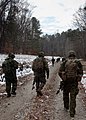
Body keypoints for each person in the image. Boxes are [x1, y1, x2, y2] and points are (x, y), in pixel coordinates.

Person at [58, 50, 83, 119]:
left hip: (66, 82)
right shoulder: (78, 62)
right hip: (74, 82)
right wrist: (78, 79)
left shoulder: (65, 62)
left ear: (68, 55)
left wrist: (63, 78)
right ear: (74, 55)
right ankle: (72, 113)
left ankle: (66, 107)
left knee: (65, 95)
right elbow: (81, 72)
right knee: (73, 97)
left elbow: (59, 72)